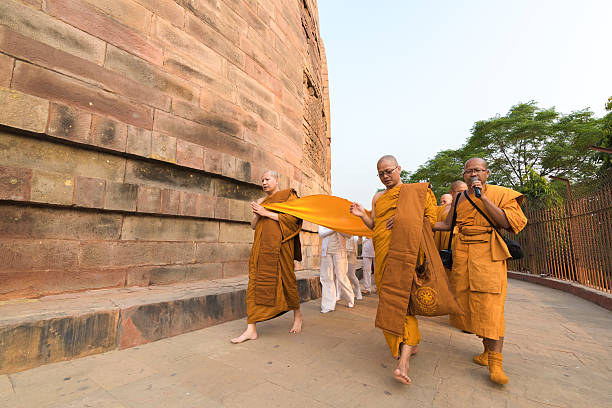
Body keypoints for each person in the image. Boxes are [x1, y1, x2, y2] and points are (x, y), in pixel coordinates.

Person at [434, 158, 527, 384]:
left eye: (477, 170)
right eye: (468, 171)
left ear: (486, 173)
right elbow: (447, 225)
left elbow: (508, 223)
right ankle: (486, 352)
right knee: (472, 307)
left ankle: (496, 363)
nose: (473, 174)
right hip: (464, 255)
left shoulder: (501, 194)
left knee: (491, 307)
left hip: (488, 255)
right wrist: (418, 223)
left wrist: (482, 197)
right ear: (464, 175)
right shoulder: (460, 198)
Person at [350, 155, 438, 385]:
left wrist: (405, 219)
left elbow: (430, 220)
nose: (386, 176)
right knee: (390, 302)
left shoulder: (416, 192)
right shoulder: (378, 197)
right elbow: (375, 227)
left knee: (404, 305)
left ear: (399, 169)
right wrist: (363, 216)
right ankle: (408, 344)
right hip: (384, 258)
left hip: (407, 257)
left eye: (389, 171)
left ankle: (404, 361)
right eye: (381, 173)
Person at [231, 170, 303, 343]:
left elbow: (293, 220)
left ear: (277, 180)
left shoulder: (287, 196)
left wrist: (266, 213)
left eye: (267, 179)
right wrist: (257, 214)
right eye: (262, 180)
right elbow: (253, 226)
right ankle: (251, 329)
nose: (264, 182)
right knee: (254, 283)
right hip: (261, 248)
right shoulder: (262, 201)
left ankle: (298, 315)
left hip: (280, 248)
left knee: (287, 281)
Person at [319, 226, 355, 313]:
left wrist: (338, 226)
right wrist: (334, 227)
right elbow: (321, 233)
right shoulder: (323, 218)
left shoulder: (341, 219)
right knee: (326, 277)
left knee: (341, 277)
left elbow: (349, 235)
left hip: (340, 251)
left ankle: (350, 298)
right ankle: (328, 305)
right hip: (326, 251)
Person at [434, 181, 468, 253]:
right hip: (443, 242)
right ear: (452, 193)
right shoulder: (441, 208)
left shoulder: (470, 206)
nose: (464, 194)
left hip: (461, 243)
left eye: (466, 192)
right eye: (460, 192)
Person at [345, 235, 363, 301]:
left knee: (351, 274)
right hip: (341, 252)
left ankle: (358, 290)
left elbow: (359, 242)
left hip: (352, 254)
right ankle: (338, 294)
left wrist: (360, 237)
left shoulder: (354, 232)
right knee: (340, 274)